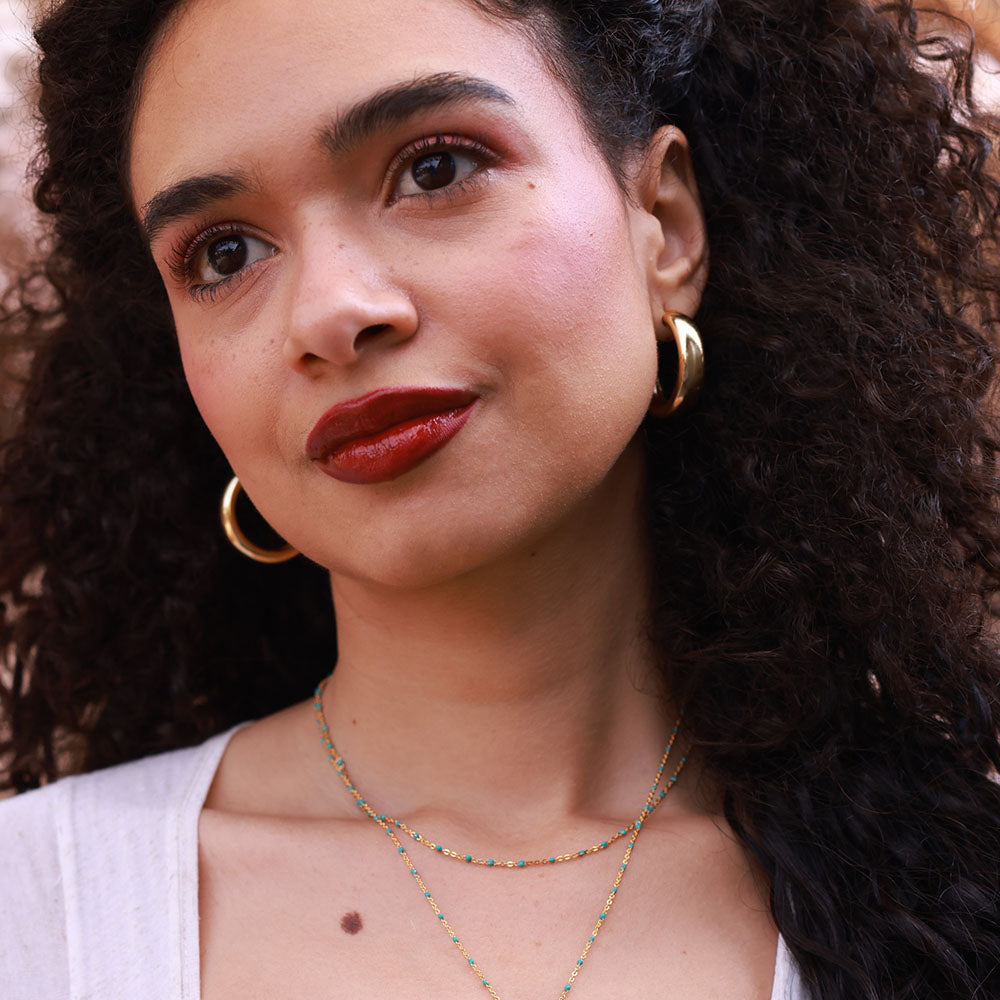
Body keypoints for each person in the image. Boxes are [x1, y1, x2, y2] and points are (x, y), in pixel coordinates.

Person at [1, 0, 999, 997]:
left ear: (664, 228)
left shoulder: (958, 880)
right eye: (224, 254)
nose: (333, 311)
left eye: (433, 168)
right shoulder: (36, 911)